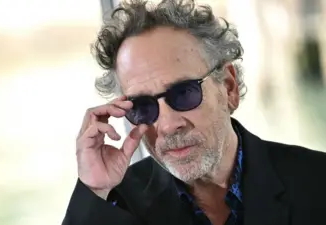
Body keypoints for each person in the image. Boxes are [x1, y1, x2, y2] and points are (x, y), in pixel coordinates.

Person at [62, 0, 326, 224]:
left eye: (184, 93)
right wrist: (95, 188)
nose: (167, 125)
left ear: (229, 87)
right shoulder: (113, 205)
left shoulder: (317, 182)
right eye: (143, 107)